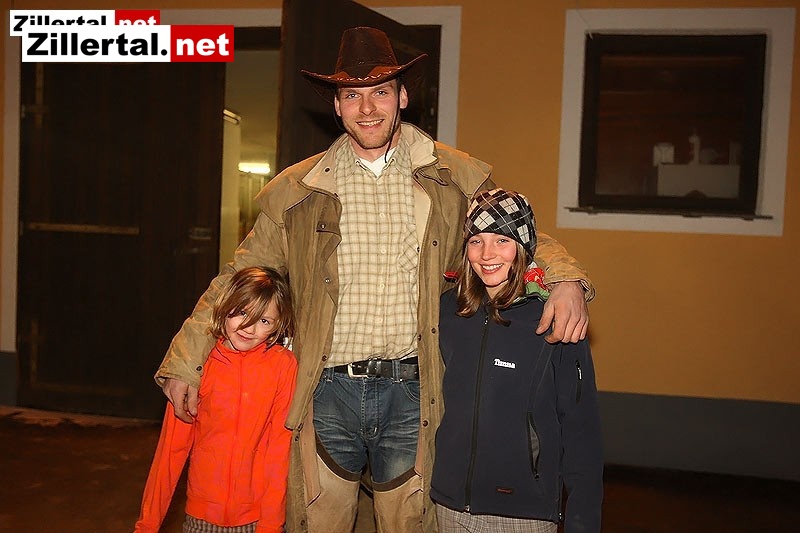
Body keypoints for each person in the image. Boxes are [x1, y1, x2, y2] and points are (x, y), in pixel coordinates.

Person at [155, 27, 595, 533]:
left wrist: (566, 280)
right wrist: (187, 362)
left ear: (403, 97)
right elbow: (237, 276)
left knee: (408, 522)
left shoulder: (452, 176)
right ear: (336, 106)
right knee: (318, 521)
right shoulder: (298, 190)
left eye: (380, 92)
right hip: (326, 389)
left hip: (414, 390)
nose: (367, 108)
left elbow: (517, 231)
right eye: (352, 95)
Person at [431, 188, 603, 533]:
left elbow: (581, 430)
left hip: (523, 511)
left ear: (524, 247)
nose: (487, 254)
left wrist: (582, 522)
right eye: (476, 241)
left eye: (502, 240)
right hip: (449, 506)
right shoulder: (448, 311)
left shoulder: (555, 318)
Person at [135, 266, 297, 533]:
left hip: (255, 519)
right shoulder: (198, 366)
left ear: (278, 325)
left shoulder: (284, 367)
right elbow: (170, 452)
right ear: (224, 305)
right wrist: (148, 526)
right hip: (201, 518)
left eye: (264, 320)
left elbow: (278, 450)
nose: (249, 328)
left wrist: (270, 526)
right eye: (242, 312)